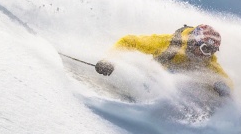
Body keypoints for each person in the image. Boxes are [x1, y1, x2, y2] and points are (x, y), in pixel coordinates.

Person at [95, 24, 232, 98]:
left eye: (212, 51)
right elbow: (129, 41)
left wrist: (223, 85)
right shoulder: (169, 44)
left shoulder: (207, 61)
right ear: (193, 42)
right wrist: (109, 60)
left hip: (174, 97)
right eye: (205, 48)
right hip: (150, 82)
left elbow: (223, 78)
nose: (207, 55)